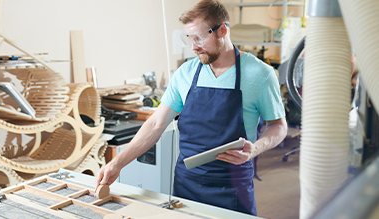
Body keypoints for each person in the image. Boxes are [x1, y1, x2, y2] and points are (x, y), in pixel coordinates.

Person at [95, 0, 287, 216]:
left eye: (200, 38)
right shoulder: (185, 73)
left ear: (222, 30)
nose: (194, 46)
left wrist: (257, 148)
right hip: (187, 184)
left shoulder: (260, 74)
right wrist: (117, 163)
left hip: (232, 185)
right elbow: (156, 124)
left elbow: (278, 126)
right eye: (189, 39)